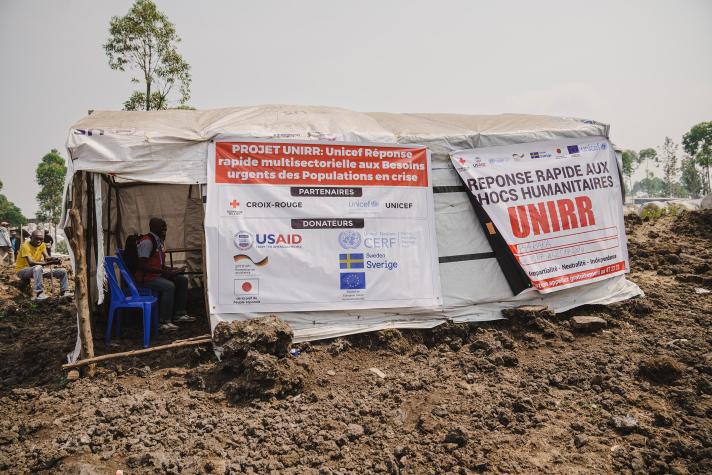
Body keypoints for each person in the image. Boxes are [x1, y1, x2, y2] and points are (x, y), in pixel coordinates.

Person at [134, 217, 194, 331]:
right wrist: (165, 272)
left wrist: (172, 269)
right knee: (169, 286)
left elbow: (157, 265)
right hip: (145, 279)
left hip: (154, 275)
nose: (164, 229)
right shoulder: (147, 242)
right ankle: (163, 322)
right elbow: (142, 266)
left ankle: (179, 314)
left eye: (165, 226)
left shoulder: (158, 241)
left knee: (182, 280)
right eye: (162, 226)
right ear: (153, 227)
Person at [16, 230, 73, 300]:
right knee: (38, 267)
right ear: (31, 238)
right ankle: (39, 294)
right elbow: (31, 263)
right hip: (22, 271)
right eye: (36, 239)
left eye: (41, 239)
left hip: (37, 270)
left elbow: (47, 257)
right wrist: (48, 263)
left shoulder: (42, 244)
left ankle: (64, 292)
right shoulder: (25, 246)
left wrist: (54, 259)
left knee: (62, 271)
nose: (39, 241)